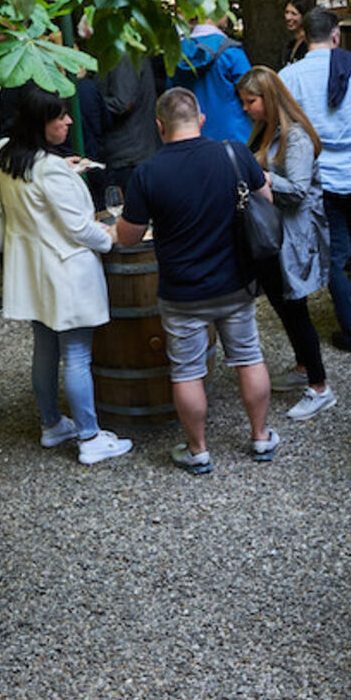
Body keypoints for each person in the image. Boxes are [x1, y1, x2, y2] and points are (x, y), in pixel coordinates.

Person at [116, 88, 280, 473]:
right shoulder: (234, 153)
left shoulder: (148, 173)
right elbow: (266, 199)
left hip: (182, 291)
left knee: (187, 371)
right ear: (201, 118)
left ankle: (198, 451)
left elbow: (128, 237)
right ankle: (260, 437)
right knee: (248, 357)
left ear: (159, 126)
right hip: (236, 283)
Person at [0, 86, 131, 465]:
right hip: (64, 267)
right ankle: (89, 437)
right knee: (75, 354)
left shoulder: (8, 156)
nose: (69, 121)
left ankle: (52, 424)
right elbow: (78, 228)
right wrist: (112, 237)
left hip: (31, 268)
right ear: (42, 124)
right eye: (60, 116)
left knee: (44, 349)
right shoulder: (49, 168)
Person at [279, 7, 351, 354]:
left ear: (304, 36)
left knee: (339, 255)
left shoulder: (290, 76)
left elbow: (286, 128)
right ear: (336, 35)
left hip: (321, 177)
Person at [237, 66, 334, 421]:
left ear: (269, 98)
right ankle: (303, 366)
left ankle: (320, 387)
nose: (246, 109)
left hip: (291, 236)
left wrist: (260, 177)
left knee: (296, 310)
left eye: (251, 101)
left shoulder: (295, 138)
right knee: (282, 305)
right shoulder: (265, 132)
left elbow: (297, 190)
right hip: (272, 236)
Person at [170, 14, 251, 144]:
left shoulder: (176, 55)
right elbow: (252, 93)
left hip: (189, 140)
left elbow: (171, 97)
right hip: (232, 140)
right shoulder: (232, 53)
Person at [97, 51, 162, 194]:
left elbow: (122, 103)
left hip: (130, 156)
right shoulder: (121, 54)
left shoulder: (122, 55)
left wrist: (90, 101)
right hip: (131, 152)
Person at [282, 0, 315, 67]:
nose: (288, 17)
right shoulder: (290, 44)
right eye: (286, 12)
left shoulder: (310, 44)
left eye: (293, 14)